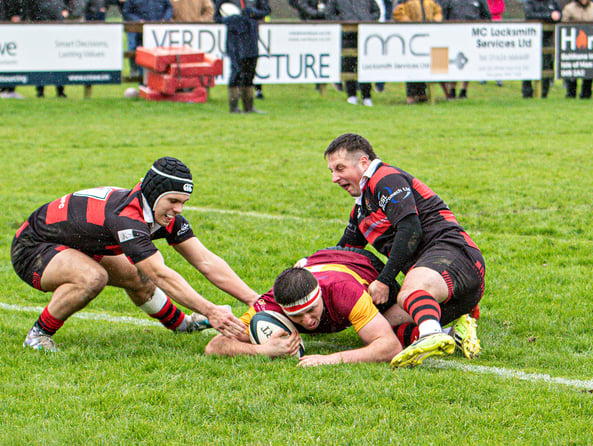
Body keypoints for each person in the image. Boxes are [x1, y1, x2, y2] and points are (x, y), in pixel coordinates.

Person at [11, 157, 255, 352]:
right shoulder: (127, 218)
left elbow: (206, 260)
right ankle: (38, 336)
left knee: (136, 276)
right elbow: (160, 274)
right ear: (154, 195)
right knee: (93, 277)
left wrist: (255, 300)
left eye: (183, 202)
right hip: (33, 247)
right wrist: (211, 310)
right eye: (172, 201)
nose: (178, 210)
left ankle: (183, 325)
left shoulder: (157, 211)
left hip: (75, 242)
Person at [324, 133, 484, 368]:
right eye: (331, 171)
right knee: (377, 327)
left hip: (457, 256)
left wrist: (385, 280)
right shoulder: (361, 211)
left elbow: (410, 229)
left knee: (409, 290)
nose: (335, 178)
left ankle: (430, 334)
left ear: (363, 163)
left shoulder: (385, 178)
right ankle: (455, 333)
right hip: (448, 296)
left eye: (339, 168)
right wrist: (309, 267)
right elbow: (345, 254)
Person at [205, 247, 404, 366]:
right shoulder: (270, 305)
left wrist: (328, 359)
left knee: (407, 314)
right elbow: (215, 346)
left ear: (320, 295)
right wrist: (263, 350)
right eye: (297, 316)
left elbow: (390, 347)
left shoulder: (344, 292)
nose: (307, 321)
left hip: (361, 263)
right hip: (320, 260)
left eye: (311, 310)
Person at [214, 0, 270, 114]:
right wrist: (229, 20)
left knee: (250, 71)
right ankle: (234, 107)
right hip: (235, 37)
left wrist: (253, 13)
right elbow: (217, 17)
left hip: (251, 35)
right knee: (237, 70)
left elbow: (266, 10)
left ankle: (249, 107)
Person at [325, 0, 379, 106]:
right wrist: (344, 21)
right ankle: (351, 95)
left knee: (366, 66)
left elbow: (376, 11)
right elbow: (329, 14)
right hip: (347, 35)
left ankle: (367, 96)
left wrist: (368, 20)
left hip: (365, 34)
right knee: (348, 65)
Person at [392, 0, 443, 104]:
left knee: (424, 63)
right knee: (411, 65)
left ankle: (421, 92)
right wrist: (412, 24)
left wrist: (435, 21)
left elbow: (438, 11)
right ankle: (411, 94)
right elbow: (398, 13)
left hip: (428, 34)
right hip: (411, 36)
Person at [440, 0, 491, 99]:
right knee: (454, 63)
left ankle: (464, 90)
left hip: (471, 36)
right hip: (453, 35)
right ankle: (452, 89)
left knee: (468, 63)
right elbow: (444, 15)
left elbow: (486, 16)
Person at [561, 0, 593, 99]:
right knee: (572, 71)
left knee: (589, 69)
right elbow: (563, 26)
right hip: (573, 46)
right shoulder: (569, 8)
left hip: (590, 44)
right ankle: (571, 93)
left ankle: (586, 94)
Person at [123, 0, 173, 78]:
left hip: (159, 33)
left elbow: (169, 7)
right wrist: (138, 21)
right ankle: (141, 78)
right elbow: (127, 12)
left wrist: (165, 19)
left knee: (160, 62)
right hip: (141, 34)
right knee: (143, 62)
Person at [521, 0, 560, 98]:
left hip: (547, 38)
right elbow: (530, 15)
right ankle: (527, 93)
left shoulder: (552, 2)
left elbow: (559, 15)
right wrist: (549, 16)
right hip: (531, 39)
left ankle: (543, 94)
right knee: (528, 66)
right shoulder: (530, 2)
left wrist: (555, 15)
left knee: (546, 65)